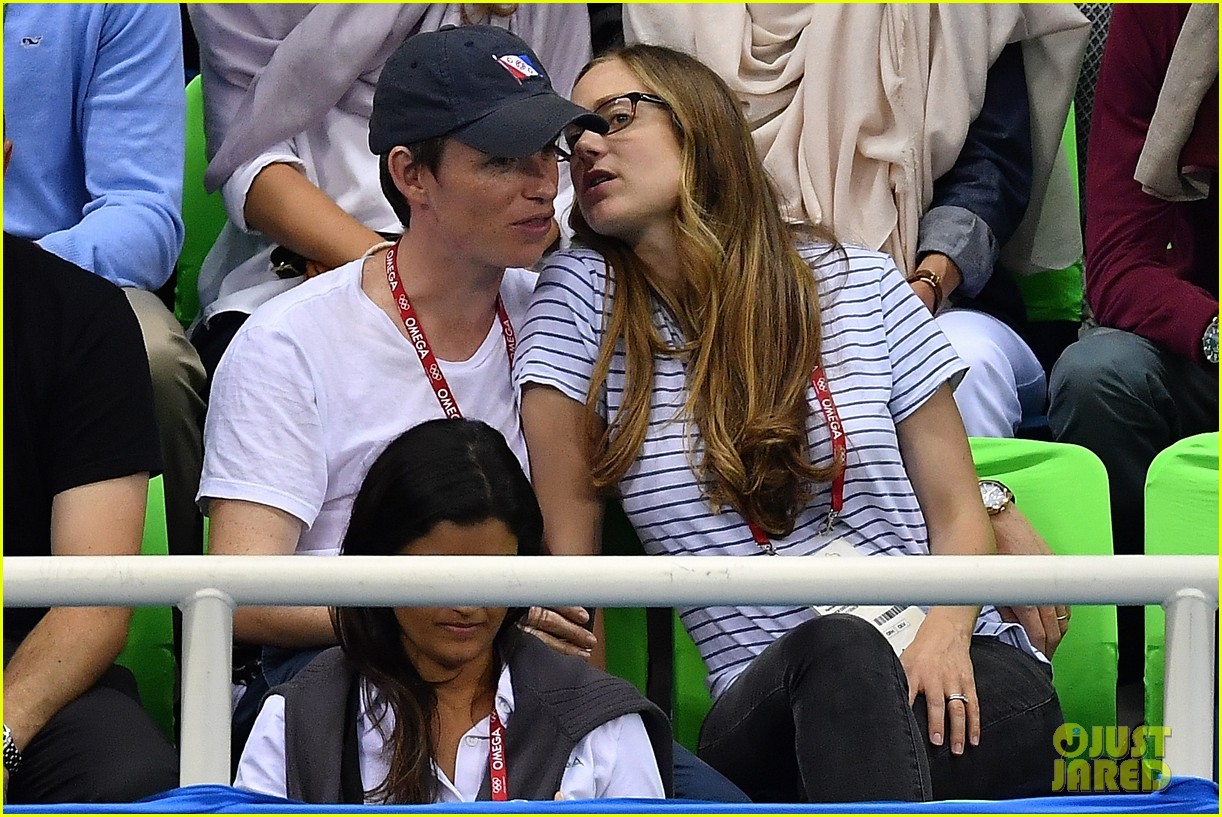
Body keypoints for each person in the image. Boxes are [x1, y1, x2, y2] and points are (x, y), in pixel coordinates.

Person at [516, 45, 1064, 802]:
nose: (583, 146)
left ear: (700, 127)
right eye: (571, 136)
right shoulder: (581, 302)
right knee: (843, 653)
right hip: (769, 695)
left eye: (615, 118)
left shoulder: (863, 283)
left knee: (965, 714)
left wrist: (944, 636)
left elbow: (957, 505)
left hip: (955, 651)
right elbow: (572, 572)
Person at [198, 22, 607, 753]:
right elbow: (244, 594)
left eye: (548, 151)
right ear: (412, 175)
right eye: (503, 160)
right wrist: (440, 605)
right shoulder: (289, 340)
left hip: (517, 678)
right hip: (349, 673)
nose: (544, 183)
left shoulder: (555, 309)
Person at [621, 4, 1091, 439]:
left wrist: (922, 288)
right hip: (734, 308)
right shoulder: (670, 14)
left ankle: (980, 522)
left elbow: (991, 167)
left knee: (959, 364)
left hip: (936, 303)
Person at [234, 419, 670, 803]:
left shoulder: (602, 723)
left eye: (491, 576)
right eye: (441, 576)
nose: (466, 605)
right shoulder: (298, 718)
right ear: (379, 559)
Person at [187, 4, 593, 379]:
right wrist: (388, 274)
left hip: (507, 269)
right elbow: (250, 160)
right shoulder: (276, 345)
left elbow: (559, 155)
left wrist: (458, 277)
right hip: (302, 269)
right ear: (408, 173)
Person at [4, 137, 180, 802]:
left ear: (4, 158)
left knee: (128, 776)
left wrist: (1, 736)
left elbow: (92, 601)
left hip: (27, 655)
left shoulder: (82, 317)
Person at [1048, 3, 1217, 684]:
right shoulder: (1158, 17)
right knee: (1097, 376)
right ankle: (1135, 669)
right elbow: (1116, 263)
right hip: (1197, 347)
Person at [4, 4, 208, 561]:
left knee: (156, 359)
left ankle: (196, 625)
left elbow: (142, 214)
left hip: (59, 270)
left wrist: (22, 282)